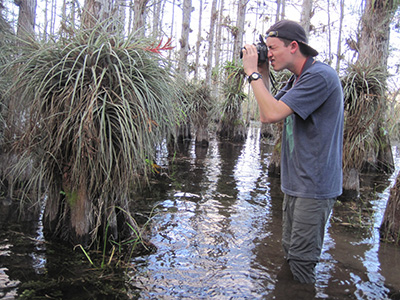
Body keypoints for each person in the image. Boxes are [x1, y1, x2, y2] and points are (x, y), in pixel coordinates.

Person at [242, 20, 344, 284]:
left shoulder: (320, 76)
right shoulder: (297, 78)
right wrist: (262, 71)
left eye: (273, 48)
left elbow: (273, 112)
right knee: (291, 253)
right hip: (297, 183)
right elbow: (268, 113)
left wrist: (252, 74)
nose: (270, 53)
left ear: (294, 46)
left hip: (314, 186)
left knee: (301, 264)